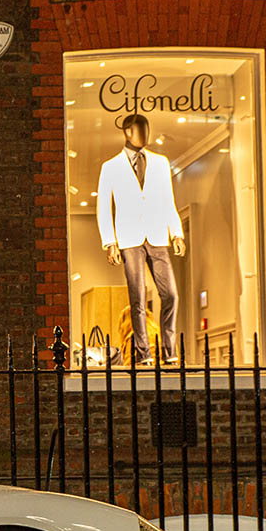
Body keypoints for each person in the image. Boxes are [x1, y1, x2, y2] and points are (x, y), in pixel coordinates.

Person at [95, 113, 184, 366]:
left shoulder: (160, 163)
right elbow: (103, 207)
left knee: (171, 295)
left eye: (147, 129)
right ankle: (144, 352)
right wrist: (109, 242)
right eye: (140, 130)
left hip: (157, 235)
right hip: (129, 237)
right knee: (138, 298)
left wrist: (176, 232)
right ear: (127, 132)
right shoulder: (110, 167)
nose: (145, 135)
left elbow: (168, 200)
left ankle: (168, 350)